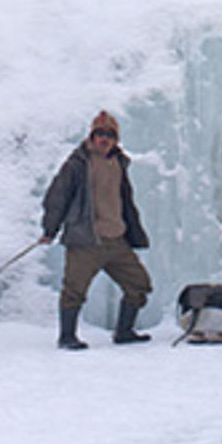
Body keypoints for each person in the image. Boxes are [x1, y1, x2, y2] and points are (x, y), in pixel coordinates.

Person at [39, 111, 152, 350]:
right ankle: (67, 336)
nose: (104, 139)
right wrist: (50, 229)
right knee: (74, 291)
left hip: (116, 240)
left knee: (139, 284)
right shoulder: (78, 163)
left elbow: (125, 201)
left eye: (109, 135)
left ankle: (124, 331)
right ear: (92, 136)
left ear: (116, 139)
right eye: (99, 134)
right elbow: (57, 197)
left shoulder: (119, 163)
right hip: (85, 240)